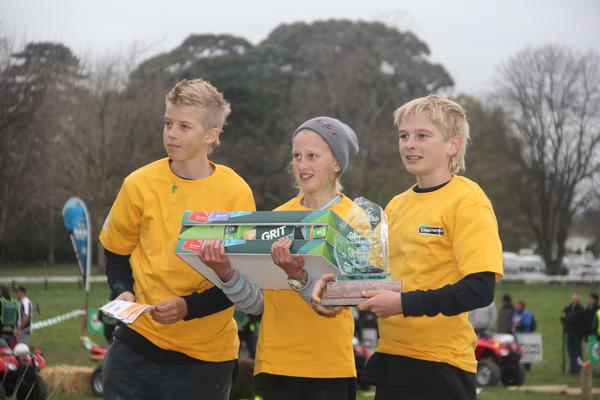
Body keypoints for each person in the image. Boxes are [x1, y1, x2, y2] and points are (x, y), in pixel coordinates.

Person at [313, 95, 503, 400]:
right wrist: (338, 293)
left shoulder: (468, 200)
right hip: (392, 362)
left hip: (441, 367)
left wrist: (403, 304)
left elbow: (480, 290)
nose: (409, 144)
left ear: (453, 145)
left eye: (422, 135)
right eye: (404, 136)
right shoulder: (396, 205)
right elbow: (378, 280)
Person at [99, 78, 256, 400]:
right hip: (134, 349)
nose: (171, 133)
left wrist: (188, 306)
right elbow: (115, 253)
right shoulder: (138, 184)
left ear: (211, 135)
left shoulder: (236, 192)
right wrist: (122, 291)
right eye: (168, 123)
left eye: (184, 126)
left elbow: (242, 282)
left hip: (205, 360)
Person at [199, 116, 360, 400]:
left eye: (312, 156)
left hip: (330, 371)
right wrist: (226, 274)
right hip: (274, 368)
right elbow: (256, 304)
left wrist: (297, 276)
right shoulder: (275, 219)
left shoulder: (356, 220)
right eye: (297, 156)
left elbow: (342, 301)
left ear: (336, 163)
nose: (302, 164)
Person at [560, 292, 585, 374]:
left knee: (577, 352)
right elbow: (562, 317)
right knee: (570, 352)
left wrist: (567, 319)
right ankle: (572, 368)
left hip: (577, 334)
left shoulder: (581, 310)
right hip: (568, 333)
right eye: (574, 299)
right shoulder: (567, 308)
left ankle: (578, 368)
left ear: (579, 300)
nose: (575, 300)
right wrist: (565, 319)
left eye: (576, 299)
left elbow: (573, 319)